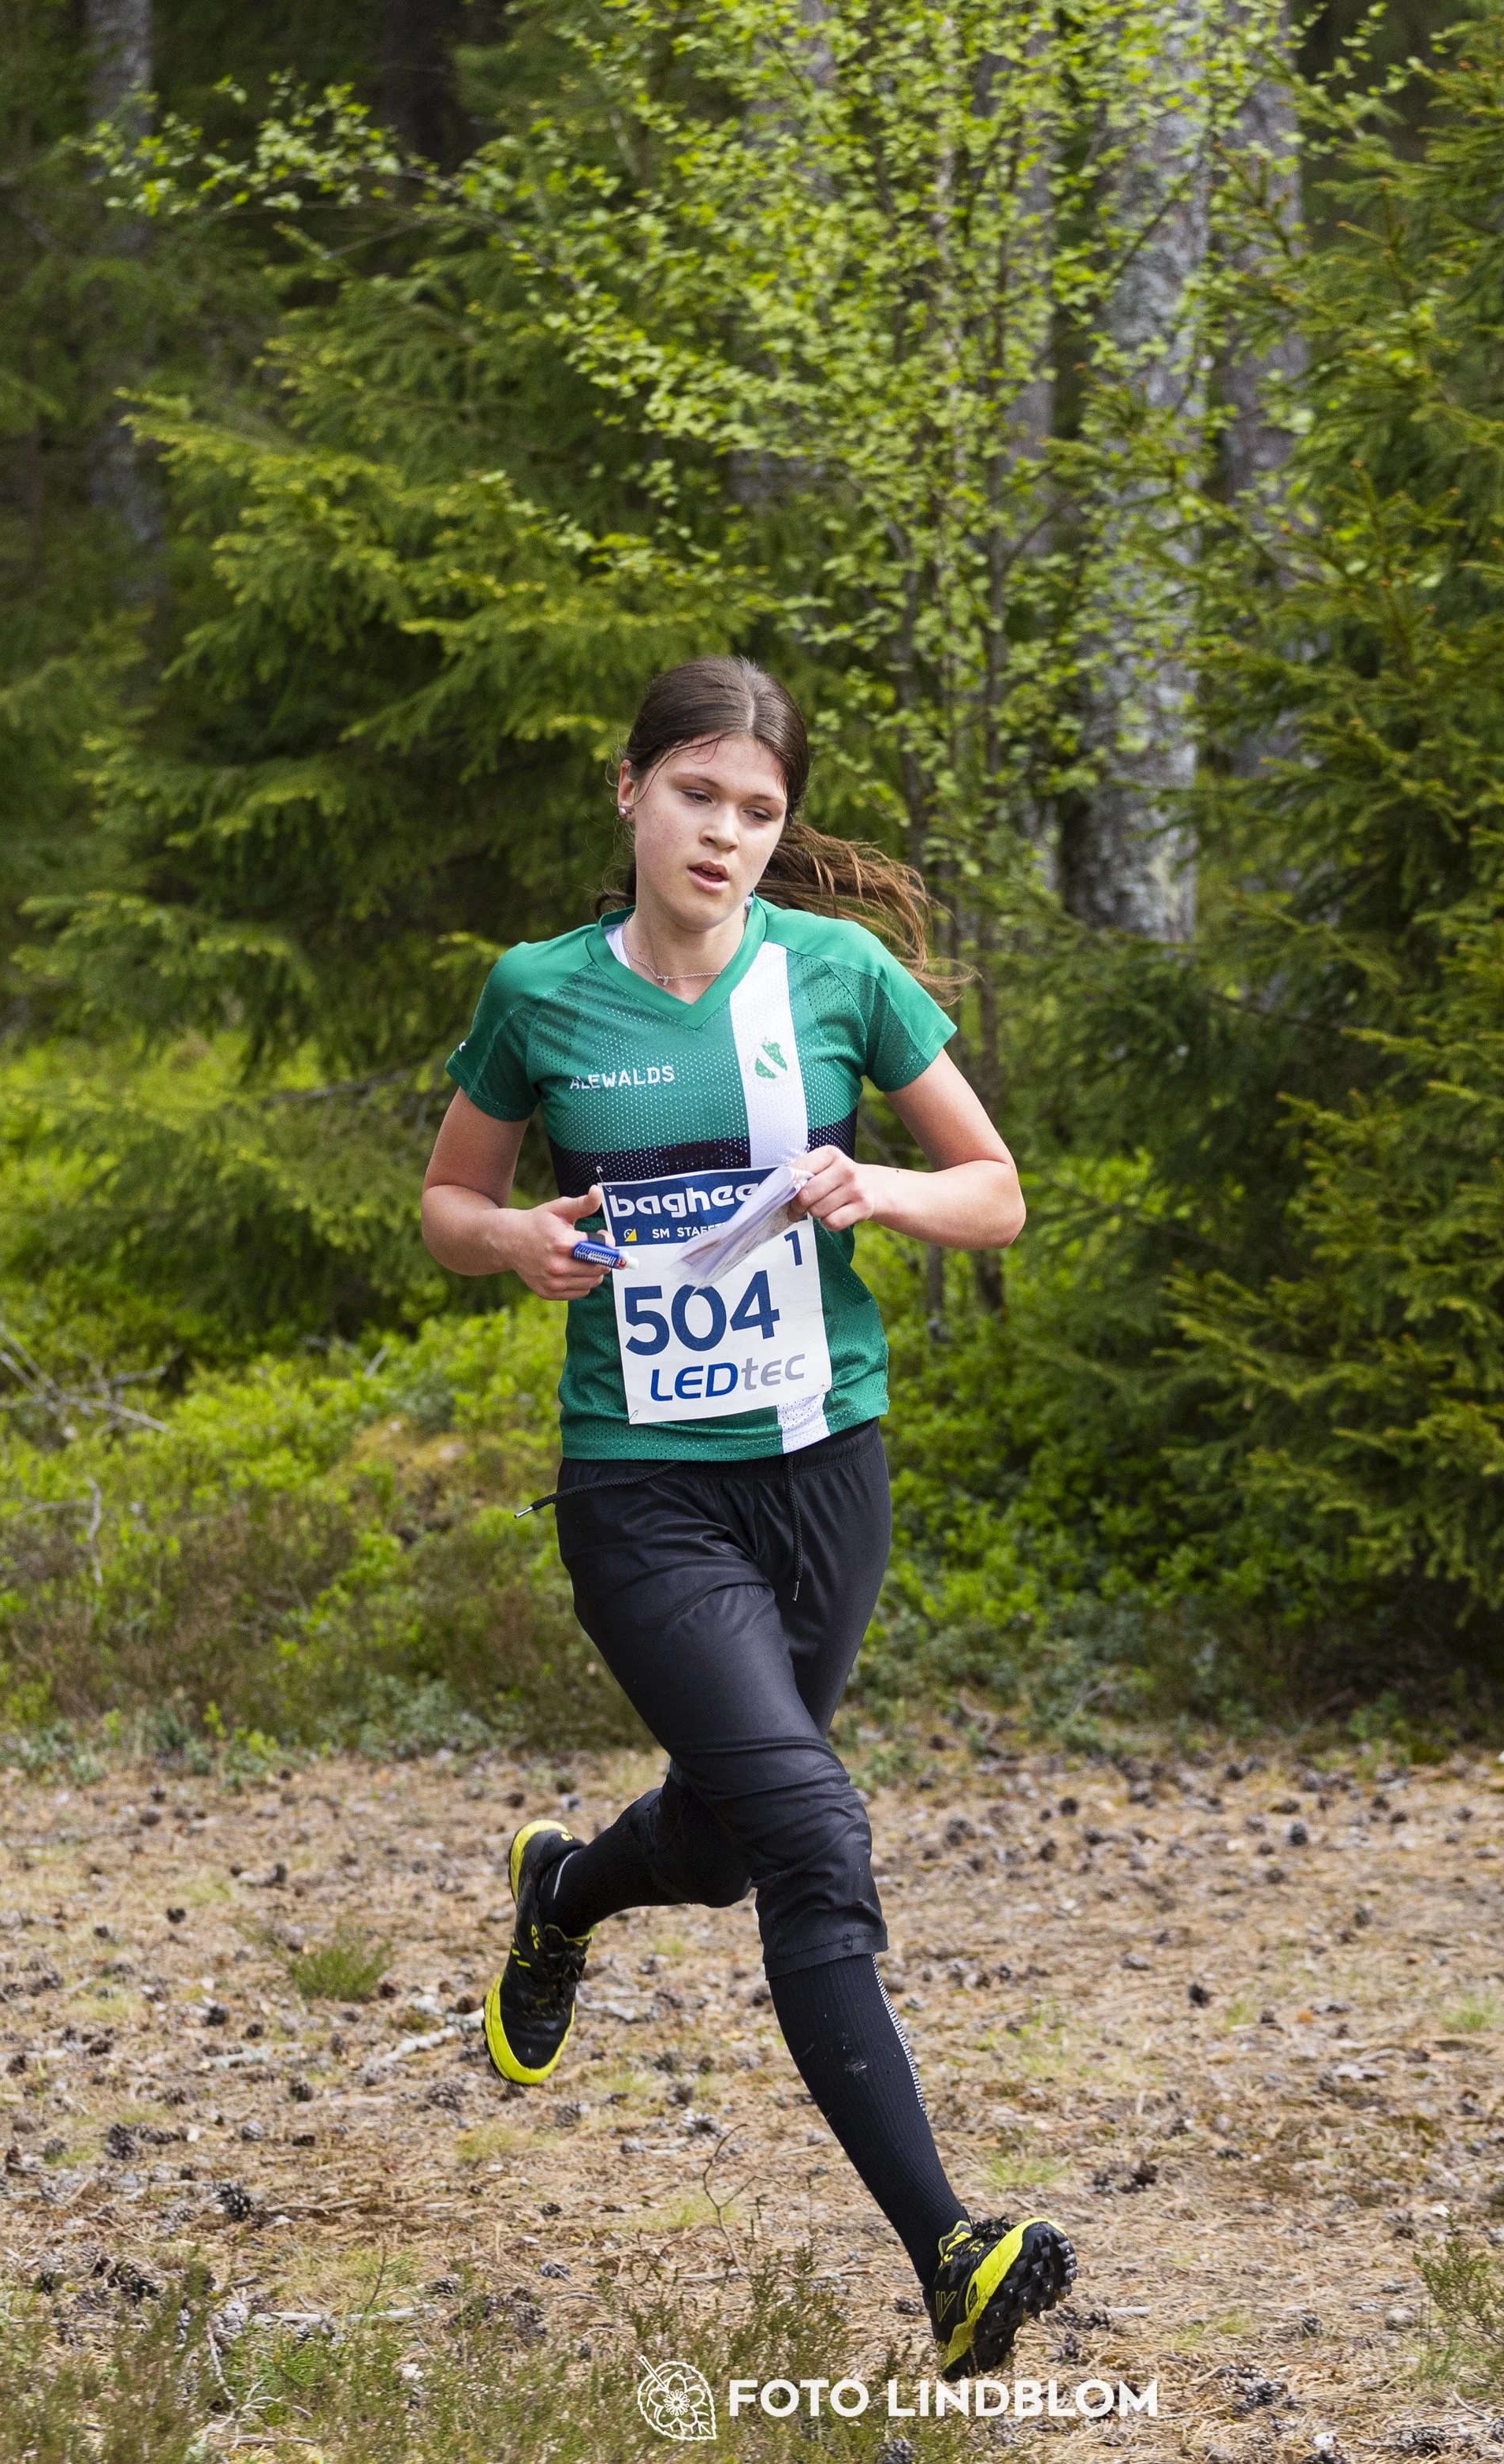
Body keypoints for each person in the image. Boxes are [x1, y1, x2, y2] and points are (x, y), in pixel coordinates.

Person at [419, 656, 1074, 2381]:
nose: (723, 830)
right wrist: (514, 1245)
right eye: (696, 792)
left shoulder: (837, 974)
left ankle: (565, 1890)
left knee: (716, 1840)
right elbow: (445, 1200)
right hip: (640, 1488)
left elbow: (996, 1192)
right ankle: (952, 2246)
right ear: (627, 792)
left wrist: (886, 1187)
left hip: (822, 1467)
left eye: (757, 808)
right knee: (809, 1833)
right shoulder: (540, 993)